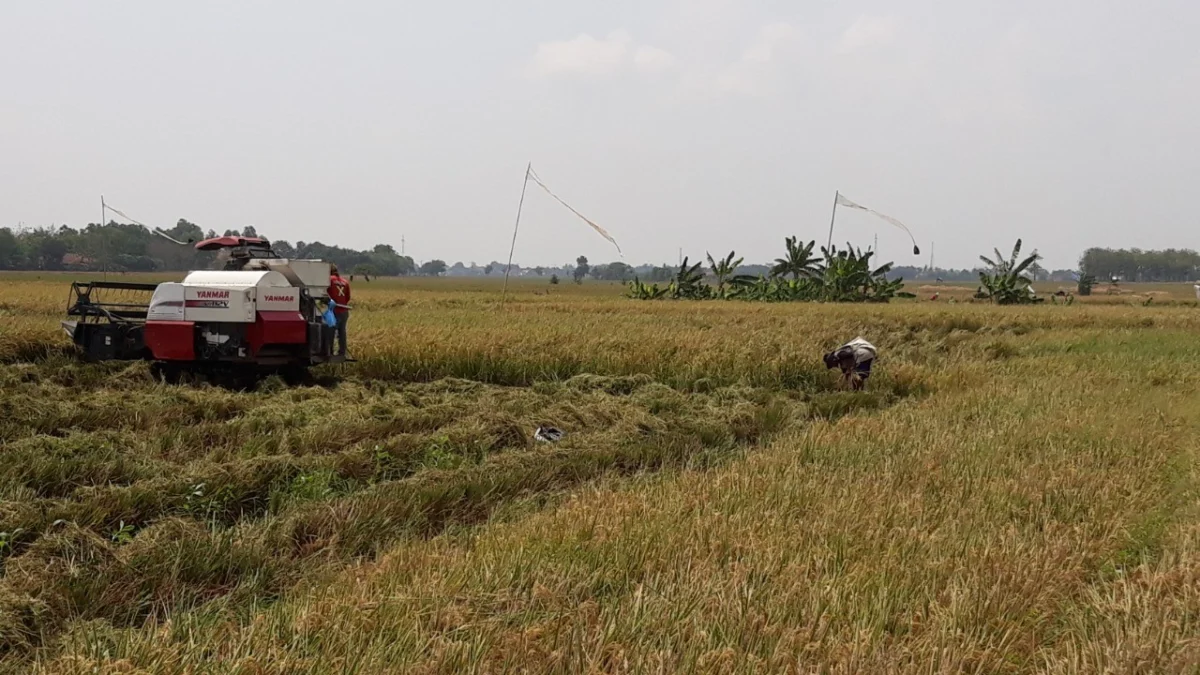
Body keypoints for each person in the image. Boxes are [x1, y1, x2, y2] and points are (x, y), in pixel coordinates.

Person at [327, 264, 352, 356]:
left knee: (331, 331)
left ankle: (329, 351)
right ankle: (342, 352)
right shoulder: (345, 282)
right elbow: (348, 297)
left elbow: (324, 294)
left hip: (334, 310)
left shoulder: (329, 280)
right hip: (344, 310)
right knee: (342, 332)